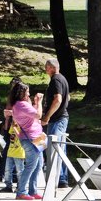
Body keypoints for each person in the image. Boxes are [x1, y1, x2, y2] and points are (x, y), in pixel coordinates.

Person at [5, 80, 45, 200]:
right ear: (20, 93)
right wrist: (41, 103)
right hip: (30, 138)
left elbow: (32, 113)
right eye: (27, 93)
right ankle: (21, 192)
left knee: (39, 165)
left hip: (38, 136)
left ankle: (33, 190)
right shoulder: (20, 105)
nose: (29, 95)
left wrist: (36, 103)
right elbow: (38, 115)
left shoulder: (22, 104)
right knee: (31, 166)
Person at [40, 58, 70, 188]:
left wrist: (47, 116)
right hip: (60, 118)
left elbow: (58, 99)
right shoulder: (62, 79)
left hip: (57, 119)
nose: (45, 70)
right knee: (60, 148)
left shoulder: (56, 80)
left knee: (55, 148)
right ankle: (62, 178)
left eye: (46, 67)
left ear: (52, 67)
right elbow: (67, 97)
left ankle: (56, 178)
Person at [0, 111, 24, 193]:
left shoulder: (22, 126)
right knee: (7, 170)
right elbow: (9, 134)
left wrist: (15, 127)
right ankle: (8, 186)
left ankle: (20, 187)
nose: (14, 119)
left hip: (19, 153)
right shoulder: (13, 126)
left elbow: (21, 136)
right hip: (11, 151)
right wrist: (7, 120)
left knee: (20, 171)